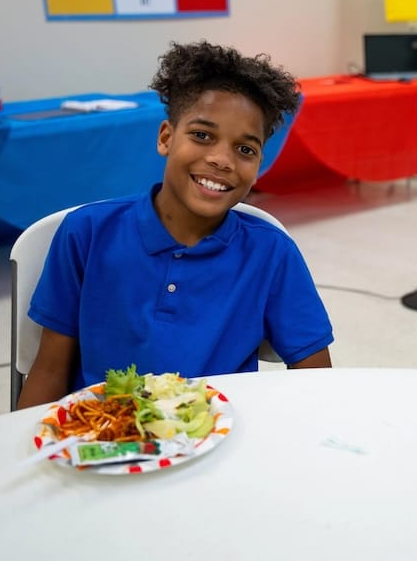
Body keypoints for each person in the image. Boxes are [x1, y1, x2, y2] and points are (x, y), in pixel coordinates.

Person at [17, 41, 334, 409]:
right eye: (202, 135)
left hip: (222, 439)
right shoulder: (85, 234)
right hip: (105, 440)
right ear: (166, 137)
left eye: (245, 149)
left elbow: (317, 383)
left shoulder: (271, 253)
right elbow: (50, 372)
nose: (221, 160)